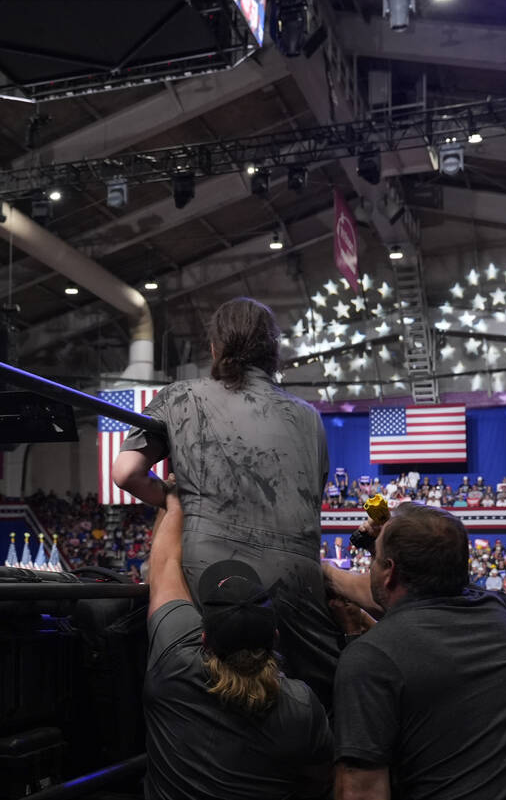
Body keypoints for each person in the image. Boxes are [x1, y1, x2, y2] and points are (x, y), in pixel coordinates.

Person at [111, 296, 340, 706]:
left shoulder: (180, 396)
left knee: (212, 697)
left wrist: (171, 496)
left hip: (214, 580)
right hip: (299, 593)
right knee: (307, 703)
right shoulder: (308, 416)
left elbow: (124, 473)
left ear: (216, 348)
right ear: (273, 352)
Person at [333, 504, 506, 799]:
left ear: (389, 572)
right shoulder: (505, 617)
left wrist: (327, 575)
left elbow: (361, 791)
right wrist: (393, 543)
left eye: (375, 560)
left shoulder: (370, 658)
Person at [144, 487, 332, 800]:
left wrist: (174, 499)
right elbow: (319, 780)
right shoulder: (301, 705)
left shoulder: (172, 667)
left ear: (203, 638)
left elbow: (163, 566)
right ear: (274, 639)